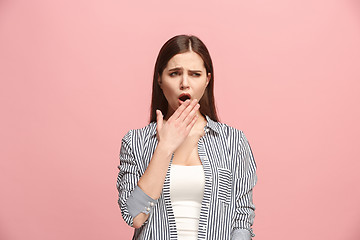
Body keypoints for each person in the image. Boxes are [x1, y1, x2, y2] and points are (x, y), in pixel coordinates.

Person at [116, 35, 257, 240]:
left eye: (195, 74)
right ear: (160, 79)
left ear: (207, 80)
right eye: (174, 74)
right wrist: (165, 147)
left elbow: (242, 218)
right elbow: (134, 216)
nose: (185, 83)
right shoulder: (135, 142)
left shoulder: (233, 141)